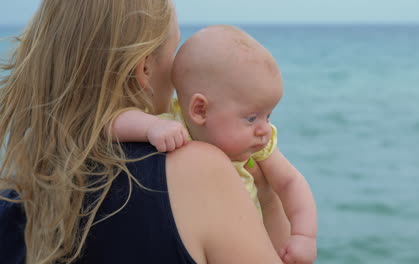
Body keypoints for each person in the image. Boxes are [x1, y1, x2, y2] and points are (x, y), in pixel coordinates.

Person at [0, 0, 284, 263]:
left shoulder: (14, 199)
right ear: (144, 68)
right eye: (173, 51)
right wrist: (268, 196)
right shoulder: (198, 168)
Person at [111, 25, 318, 264]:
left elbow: (291, 183)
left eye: (268, 115)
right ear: (200, 110)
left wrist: (304, 235)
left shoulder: (258, 144)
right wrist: (150, 127)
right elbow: (110, 123)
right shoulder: (174, 125)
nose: (264, 129)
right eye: (251, 118)